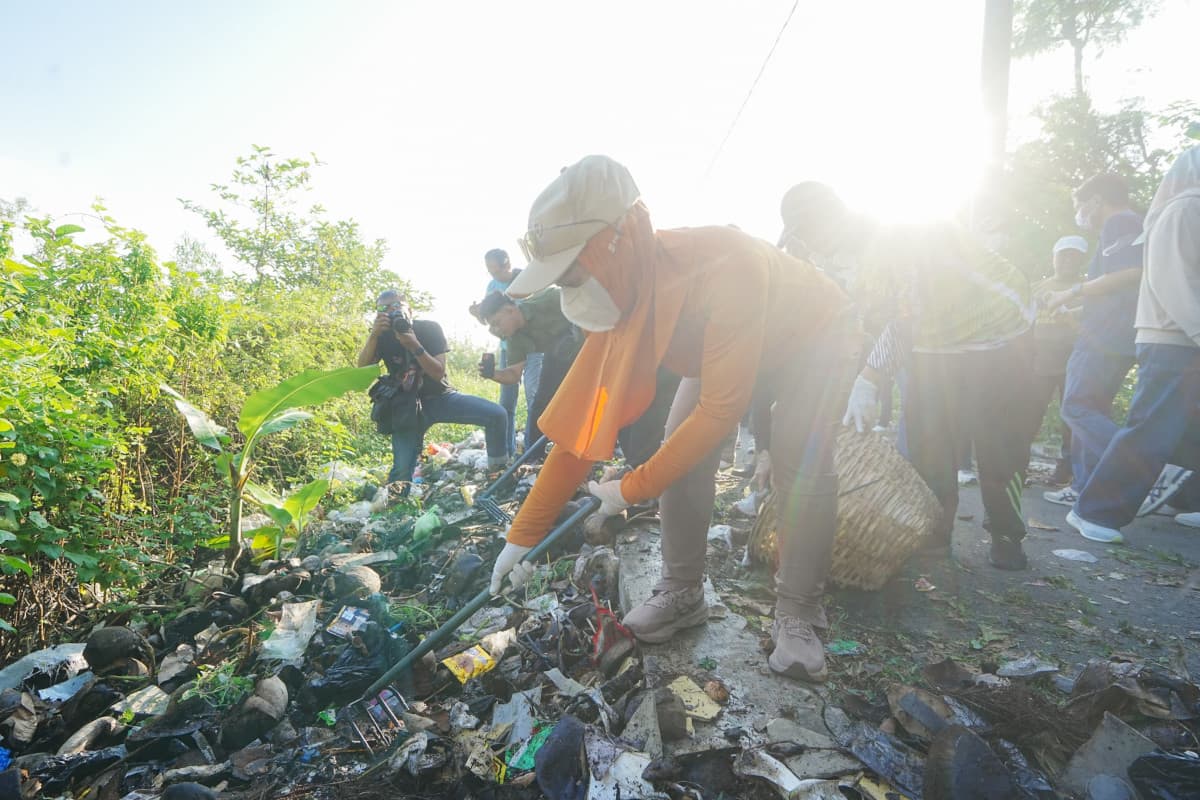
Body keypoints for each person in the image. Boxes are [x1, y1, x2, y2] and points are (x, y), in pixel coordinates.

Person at [489, 155, 855, 682]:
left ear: (618, 238)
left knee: (801, 453)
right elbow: (580, 428)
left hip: (814, 335)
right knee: (679, 449)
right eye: (561, 278)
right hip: (725, 348)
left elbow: (720, 411)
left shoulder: (725, 263)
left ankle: (798, 609)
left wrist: (630, 488)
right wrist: (522, 535)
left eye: (573, 269)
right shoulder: (620, 295)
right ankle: (683, 591)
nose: (571, 286)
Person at [779, 184, 1038, 570]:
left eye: (809, 230)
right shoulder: (848, 257)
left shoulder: (896, 239)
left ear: (831, 219)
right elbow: (863, 318)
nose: (808, 242)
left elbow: (906, 319)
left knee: (999, 447)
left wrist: (868, 379)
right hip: (935, 345)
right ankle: (932, 538)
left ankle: (1006, 532)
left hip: (998, 336)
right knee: (928, 444)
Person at [1066, 147, 1200, 542]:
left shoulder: (1176, 211)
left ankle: (1187, 498)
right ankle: (1095, 510)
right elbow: (1171, 281)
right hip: (1171, 336)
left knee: (1186, 430)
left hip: (1176, 334)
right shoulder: (1185, 209)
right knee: (1151, 428)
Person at [1042, 175, 1145, 508]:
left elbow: (1130, 273)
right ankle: (1086, 487)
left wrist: (1071, 291)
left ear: (1097, 200)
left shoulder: (1121, 222)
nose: (1079, 212)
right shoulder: (1127, 225)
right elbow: (1115, 286)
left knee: (1076, 406)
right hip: (1112, 331)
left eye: (1079, 204)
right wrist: (1074, 305)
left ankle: (1144, 469)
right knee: (1091, 408)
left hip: (1107, 336)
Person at [358, 290, 507, 487]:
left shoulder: (428, 329)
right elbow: (362, 369)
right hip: (404, 407)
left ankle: (498, 475)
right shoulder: (381, 336)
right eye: (383, 309)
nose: (391, 312)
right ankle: (396, 508)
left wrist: (414, 345)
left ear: (409, 309)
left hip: (440, 397)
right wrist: (374, 335)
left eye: (396, 306)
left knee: (496, 414)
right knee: (401, 471)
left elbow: (437, 372)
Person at [476, 289, 581, 460]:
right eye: (492, 327)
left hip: (589, 342)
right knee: (540, 403)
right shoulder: (514, 338)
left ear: (509, 310)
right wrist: (492, 374)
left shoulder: (549, 298)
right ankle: (531, 459)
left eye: (496, 322)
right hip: (557, 356)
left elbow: (585, 303)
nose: (496, 330)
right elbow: (513, 375)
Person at [472, 249, 543, 458]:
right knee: (507, 400)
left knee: (534, 395)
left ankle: (533, 448)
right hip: (508, 347)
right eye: (489, 270)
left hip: (534, 347)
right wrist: (478, 315)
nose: (492, 275)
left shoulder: (525, 278)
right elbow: (490, 320)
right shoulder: (492, 287)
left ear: (507, 264)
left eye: (495, 269)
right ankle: (509, 450)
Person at [1031, 235, 1089, 485]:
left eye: (1074, 255)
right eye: (1063, 254)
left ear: (1081, 261)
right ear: (1053, 258)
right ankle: (1015, 466)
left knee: (1071, 421)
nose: (1067, 259)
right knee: (1028, 416)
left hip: (1073, 363)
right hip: (1037, 363)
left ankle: (1066, 470)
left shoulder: (1089, 289)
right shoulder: (1037, 288)